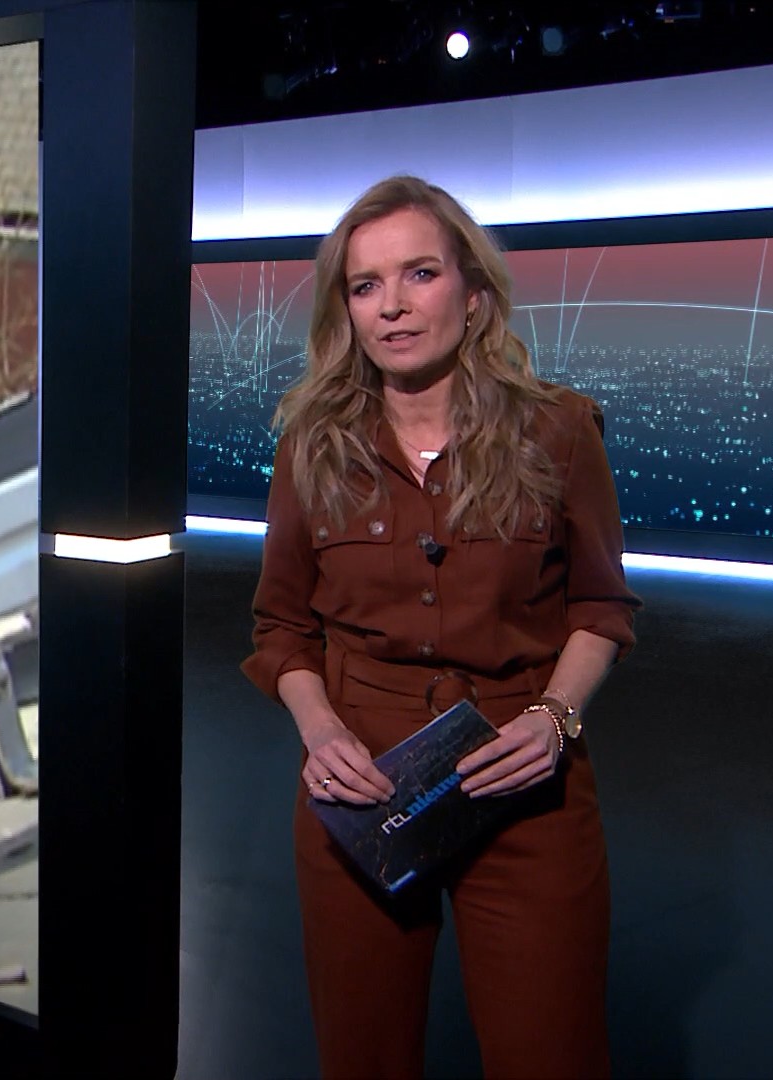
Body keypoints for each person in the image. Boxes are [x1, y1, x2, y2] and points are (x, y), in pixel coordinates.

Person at [240, 175, 642, 1079]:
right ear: (346, 311)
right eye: (365, 285)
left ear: (474, 293)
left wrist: (555, 719)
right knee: (364, 1058)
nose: (392, 305)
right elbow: (281, 625)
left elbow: (601, 607)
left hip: (522, 778)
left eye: (419, 273)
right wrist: (320, 731)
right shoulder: (311, 445)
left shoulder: (560, 431)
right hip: (363, 788)